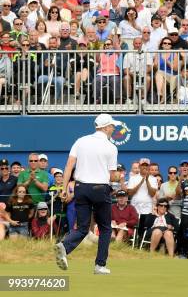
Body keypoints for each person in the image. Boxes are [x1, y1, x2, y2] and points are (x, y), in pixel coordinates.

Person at [55, 113, 121, 275]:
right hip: (100, 189)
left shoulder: (81, 141)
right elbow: (113, 176)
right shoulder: (111, 147)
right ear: (105, 127)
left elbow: (69, 166)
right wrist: (119, 176)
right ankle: (100, 266)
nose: (113, 128)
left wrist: (63, 189)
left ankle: (64, 246)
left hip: (80, 188)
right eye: (112, 126)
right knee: (105, 228)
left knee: (83, 227)